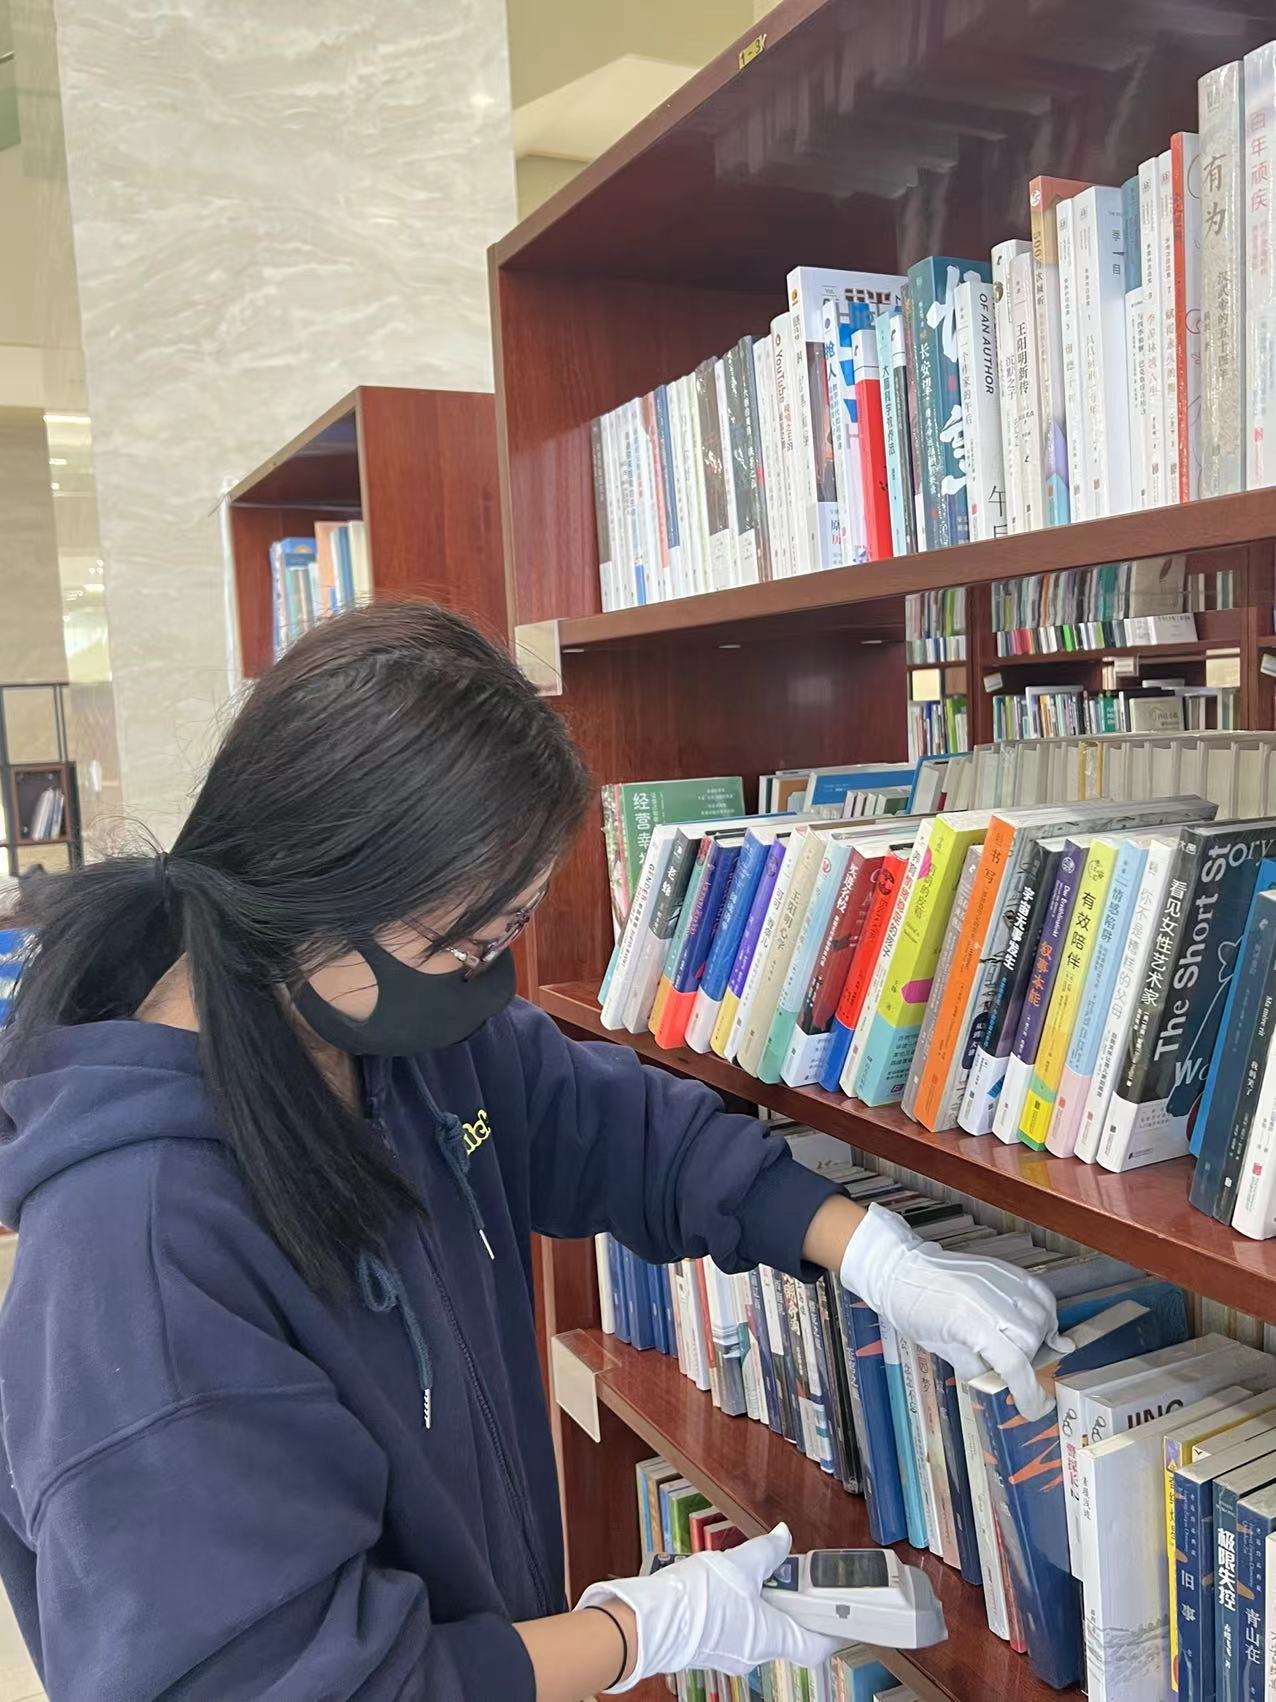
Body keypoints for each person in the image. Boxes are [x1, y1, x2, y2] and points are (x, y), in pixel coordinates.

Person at [0, 604, 1065, 1700]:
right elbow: (292, 1683)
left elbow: (618, 1131)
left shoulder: (380, 1033)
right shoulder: (134, 1261)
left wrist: (875, 1253)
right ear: (315, 887)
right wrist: (638, 1632)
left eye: (507, 932)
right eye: (465, 941)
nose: (488, 980)